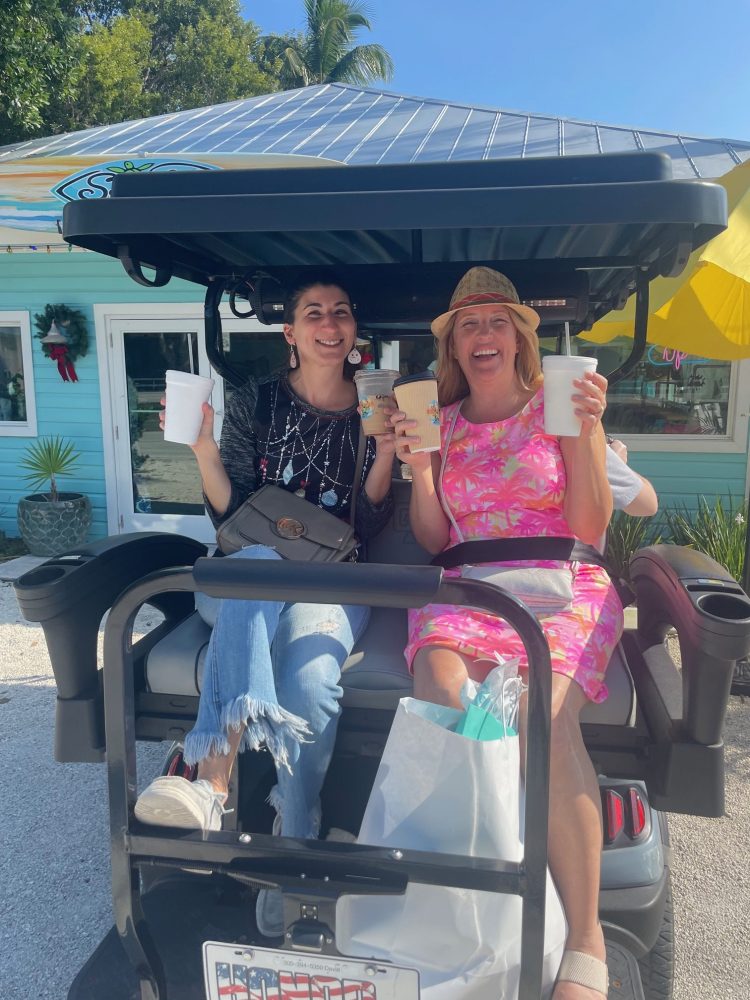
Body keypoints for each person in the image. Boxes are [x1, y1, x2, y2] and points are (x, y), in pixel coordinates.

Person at [135, 273, 395, 933]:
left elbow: (365, 522)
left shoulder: (375, 405)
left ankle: (291, 826)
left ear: (353, 330)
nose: (329, 323)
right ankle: (218, 780)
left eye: (341, 312)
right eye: (314, 312)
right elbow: (231, 510)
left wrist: (386, 451)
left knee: (310, 682)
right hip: (249, 571)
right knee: (252, 568)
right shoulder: (255, 402)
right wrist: (200, 446)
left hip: (335, 578)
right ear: (291, 332)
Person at [393, 267, 619, 1000]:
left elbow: (589, 527)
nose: (481, 335)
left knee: (539, 717)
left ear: (520, 337)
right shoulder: (444, 423)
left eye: (496, 322)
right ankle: (476, 890)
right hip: (470, 586)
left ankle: (586, 940)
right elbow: (433, 540)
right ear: (453, 347)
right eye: (467, 325)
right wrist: (422, 472)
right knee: (441, 686)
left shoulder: (561, 408)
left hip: (563, 581)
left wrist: (586, 433)